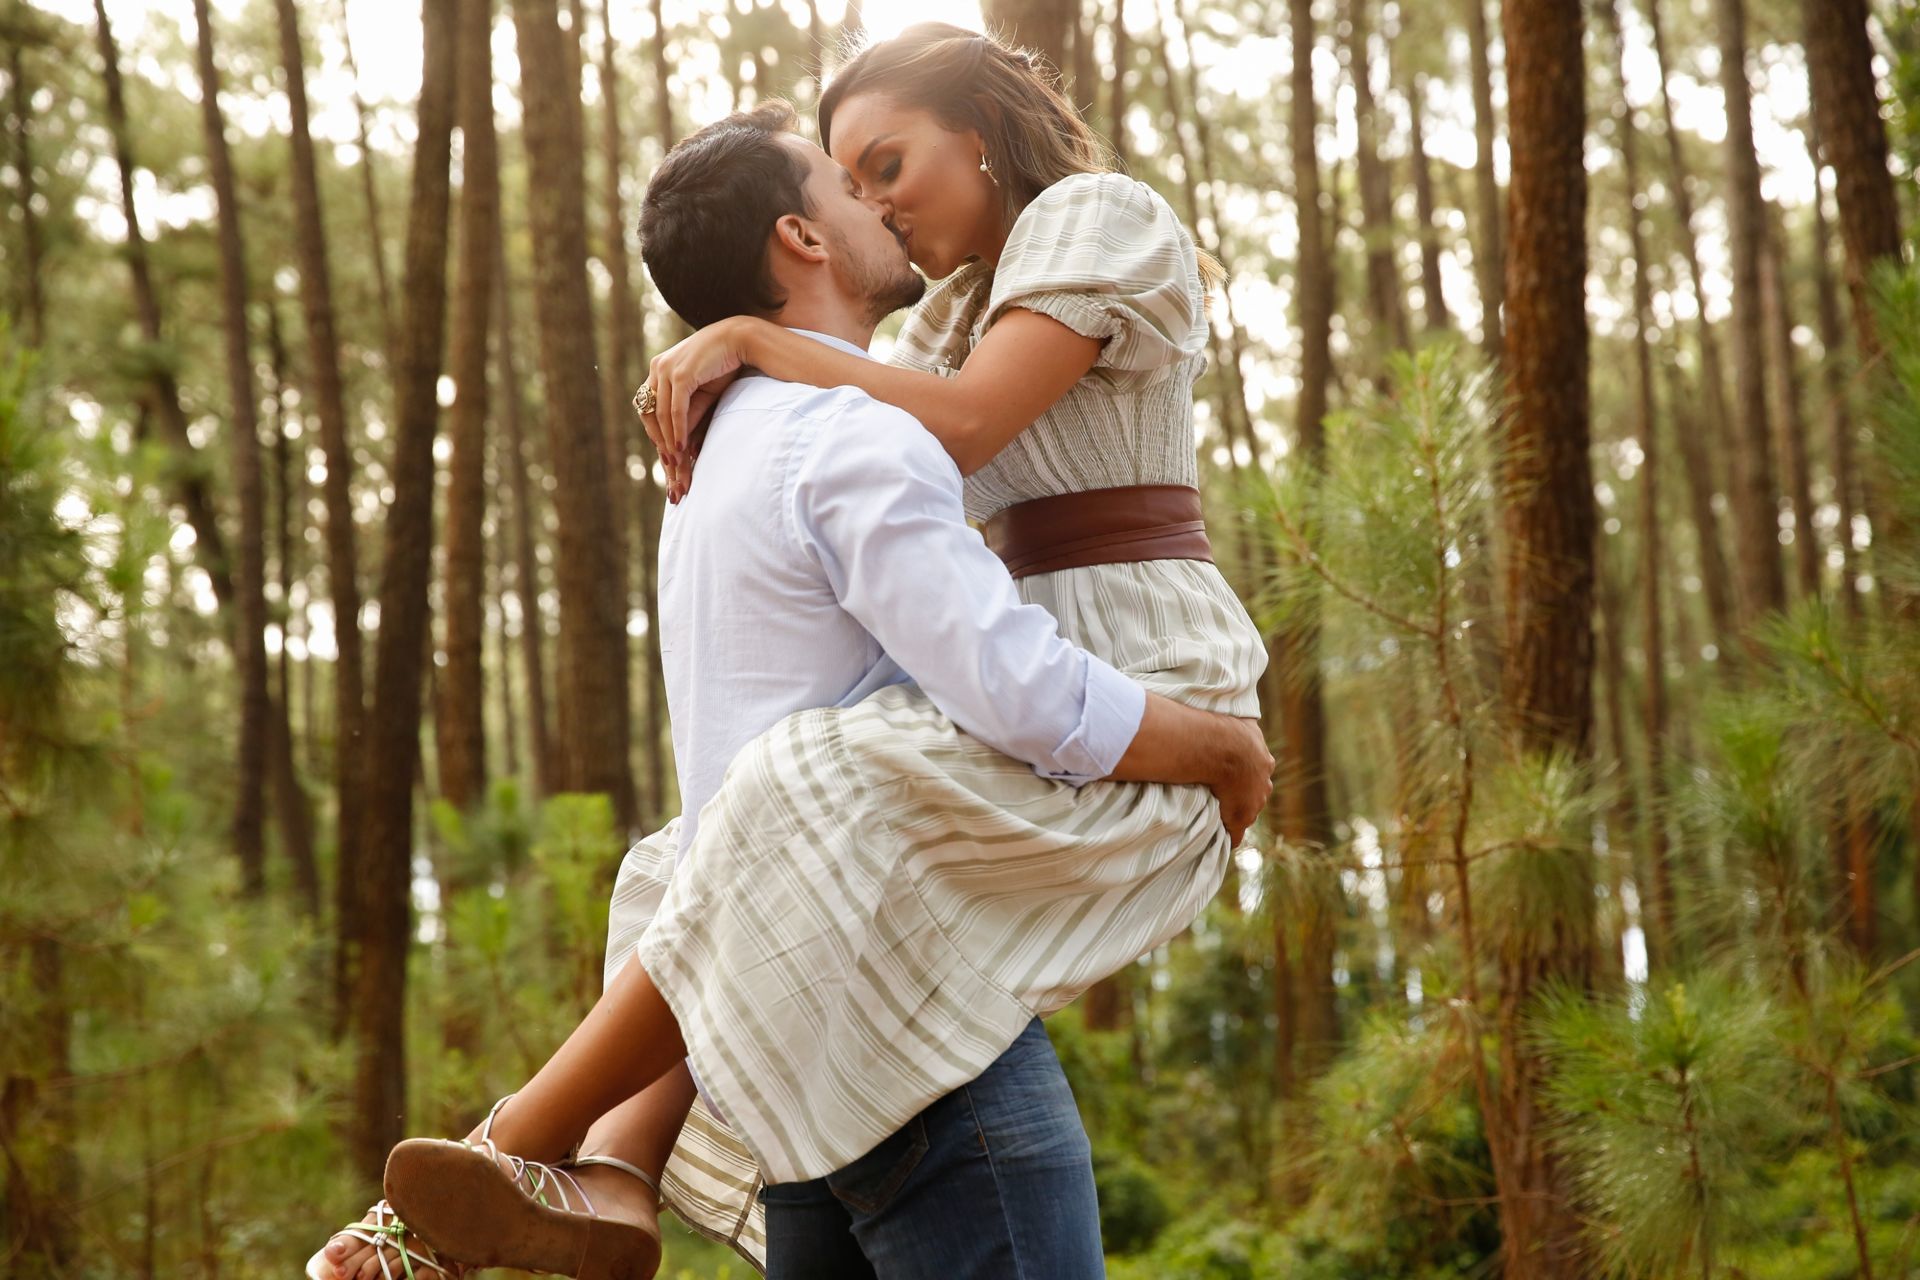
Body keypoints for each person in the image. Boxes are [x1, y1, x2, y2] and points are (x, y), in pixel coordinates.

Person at [310, 21, 1267, 1280]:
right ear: (801, 237)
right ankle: (610, 1174)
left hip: (1141, 663)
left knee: (790, 790)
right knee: (690, 856)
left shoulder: (1097, 217)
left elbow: (966, 425)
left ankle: (518, 1141)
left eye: (889, 162)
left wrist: (751, 338)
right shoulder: (922, 340)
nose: (875, 199)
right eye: (847, 181)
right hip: (1030, 689)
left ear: (978, 132)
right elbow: (879, 395)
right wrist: (761, 347)